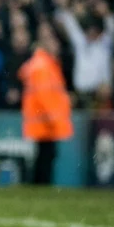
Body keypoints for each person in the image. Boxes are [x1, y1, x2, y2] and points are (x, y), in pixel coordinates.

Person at [19, 29, 74, 185]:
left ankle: (39, 185)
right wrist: (53, 117)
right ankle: (41, 184)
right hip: (45, 121)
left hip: (42, 119)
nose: (57, 46)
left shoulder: (42, 64)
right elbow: (45, 96)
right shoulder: (43, 65)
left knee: (43, 155)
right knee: (46, 156)